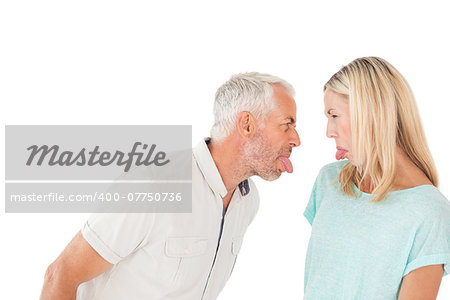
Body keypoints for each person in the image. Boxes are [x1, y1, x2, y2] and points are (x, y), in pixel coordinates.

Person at [40, 72, 300, 300]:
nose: (296, 139)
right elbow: (60, 276)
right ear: (247, 125)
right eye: (287, 125)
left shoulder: (247, 200)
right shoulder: (153, 186)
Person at [303, 57, 450, 299]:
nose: (329, 131)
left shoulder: (430, 212)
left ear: (370, 113)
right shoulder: (328, 181)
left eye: (334, 115)